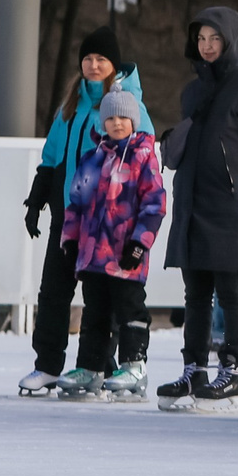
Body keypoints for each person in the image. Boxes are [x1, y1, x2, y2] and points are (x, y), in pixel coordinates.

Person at [21, 27, 153, 395]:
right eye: (88, 59)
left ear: (114, 64)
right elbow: (52, 155)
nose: (93, 66)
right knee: (54, 291)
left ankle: (101, 363)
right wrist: (38, 197)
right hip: (71, 216)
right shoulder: (72, 103)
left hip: (111, 223)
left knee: (104, 297)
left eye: (101, 60)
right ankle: (47, 364)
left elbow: (144, 158)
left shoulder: (128, 105)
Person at [158, 6, 238, 410]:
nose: (206, 46)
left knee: (230, 291)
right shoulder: (192, 90)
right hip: (191, 201)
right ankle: (193, 369)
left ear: (231, 40)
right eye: (201, 39)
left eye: (214, 39)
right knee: (195, 294)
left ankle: (233, 372)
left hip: (228, 205)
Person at [55, 91, 164, 402]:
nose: (117, 124)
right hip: (93, 255)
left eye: (123, 118)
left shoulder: (143, 156)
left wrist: (139, 243)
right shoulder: (93, 158)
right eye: (111, 118)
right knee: (95, 314)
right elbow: (76, 203)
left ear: (134, 121)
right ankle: (90, 367)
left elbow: (154, 205)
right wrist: (71, 240)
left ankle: (134, 365)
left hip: (126, 255)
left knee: (130, 309)